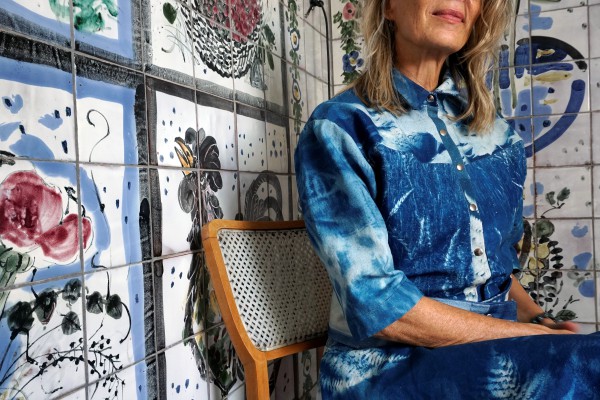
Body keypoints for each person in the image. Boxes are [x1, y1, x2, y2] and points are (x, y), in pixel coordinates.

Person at [294, 0, 600, 398]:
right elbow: (378, 305)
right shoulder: (340, 127)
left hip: (497, 348)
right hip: (386, 366)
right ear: (389, 7)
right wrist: (529, 339)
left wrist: (540, 322)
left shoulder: (498, 137)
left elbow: (498, 272)